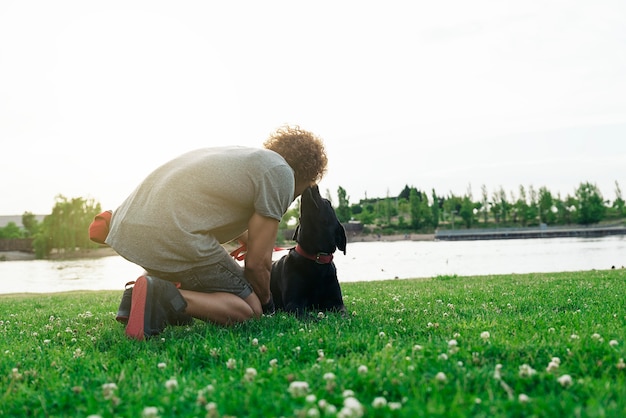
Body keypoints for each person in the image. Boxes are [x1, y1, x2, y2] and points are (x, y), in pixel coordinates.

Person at [105, 125, 328, 340]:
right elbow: (257, 265)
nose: (294, 198)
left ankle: (137, 297)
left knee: (233, 285)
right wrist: (267, 304)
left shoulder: (249, 159)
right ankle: (161, 297)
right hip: (175, 234)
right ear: (307, 173)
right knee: (249, 311)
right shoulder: (282, 174)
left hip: (128, 226)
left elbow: (238, 228)